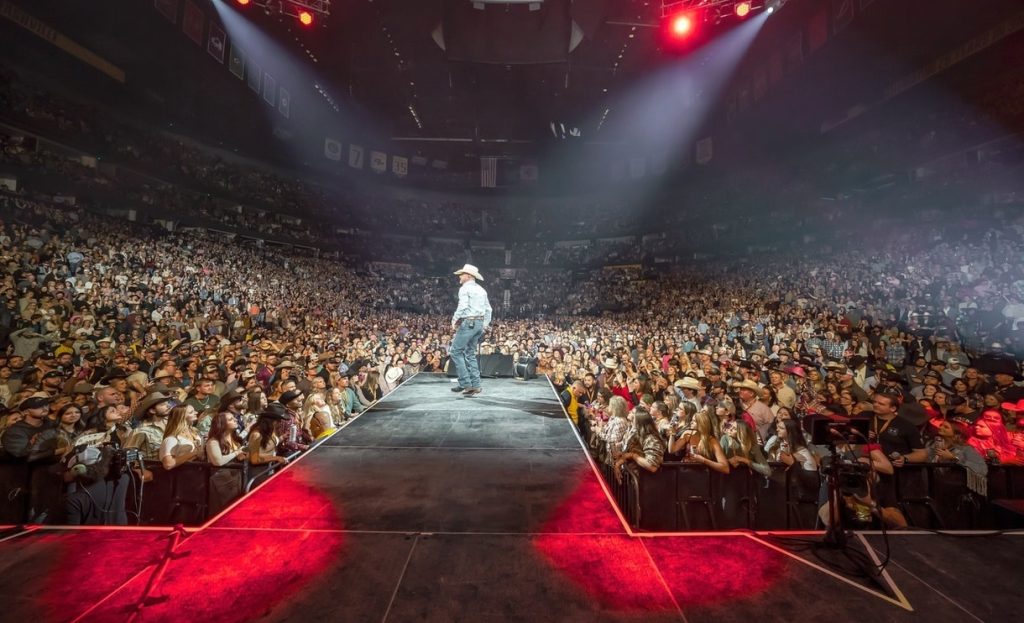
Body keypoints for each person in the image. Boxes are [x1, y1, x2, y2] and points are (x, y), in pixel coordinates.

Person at [449, 264, 492, 397]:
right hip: (479, 324)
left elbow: (462, 306)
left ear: (468, 276)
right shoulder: (482, 290)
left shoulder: (464, 288)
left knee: (455, 352)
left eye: (462, 274)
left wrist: (454, 319)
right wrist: (484, 324)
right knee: (469, 353)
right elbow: (489, 309)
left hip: (469, 322)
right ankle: (476, 385)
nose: (459, 277)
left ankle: (465, 383)